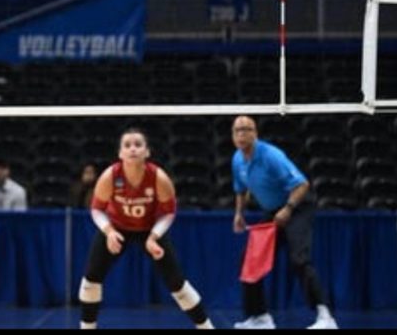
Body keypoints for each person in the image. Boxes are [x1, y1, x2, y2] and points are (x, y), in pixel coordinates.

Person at [80, 128, 214, 329]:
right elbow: (97, 209)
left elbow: (169, 212)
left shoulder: (158, 177)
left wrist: (154, 237)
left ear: (147, 152)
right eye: (127, 145)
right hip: (117, 228)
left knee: (178, 285)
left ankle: (206, 327)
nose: (133, 149)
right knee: (90, 280)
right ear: (120, 153)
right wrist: (109, 232)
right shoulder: (110, 176)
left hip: (149, 230)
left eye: (138, 145)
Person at [231, 115, 337, 330]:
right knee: (249, 261)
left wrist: (288, 209)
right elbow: (240, 189)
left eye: (247, 129)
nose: (242, 134)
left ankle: (326, 318)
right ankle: (260, 317)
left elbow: (302, 184)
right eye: (237, 130)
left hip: (297, 207)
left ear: (255, 133)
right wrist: (239, 214)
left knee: (299, 259)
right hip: (273, 212)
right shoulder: (237, 159)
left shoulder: (272, 156)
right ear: (233, 136)